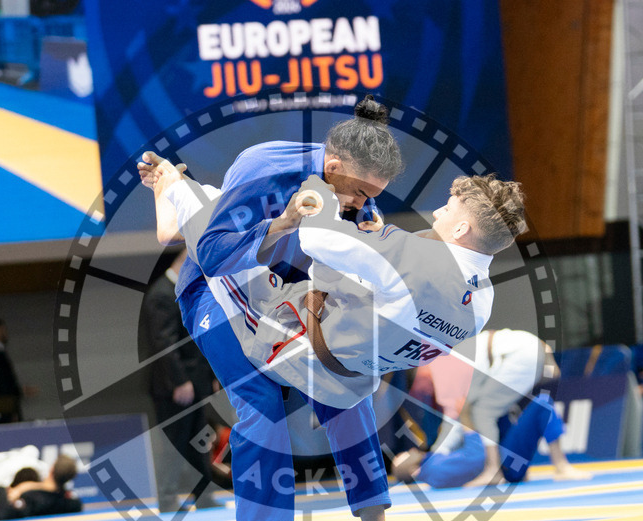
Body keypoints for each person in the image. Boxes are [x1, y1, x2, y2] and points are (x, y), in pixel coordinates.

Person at [137, 96, 425, 521]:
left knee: (349, 393)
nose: (362, 202)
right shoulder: (263, 167)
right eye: (359, 192)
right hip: (217, 287)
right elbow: (212, 253)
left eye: (372, 195)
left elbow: (351, 263)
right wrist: (285, 221)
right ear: (331, 167)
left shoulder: (359, 188)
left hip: (288, 293)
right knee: (260, 401)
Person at [154, 166, 510, 411]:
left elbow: (316, 237)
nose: (436, 214)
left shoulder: (412, 259)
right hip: (353, 386)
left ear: (461, 229)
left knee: (224, 259)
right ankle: (197, 196)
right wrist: (376, 241)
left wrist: (318, 185)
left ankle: (173, 188)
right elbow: (400, 302)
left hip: (295, 348)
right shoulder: (483, 302)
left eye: (446, 210)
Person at [419, 330, 589, 487]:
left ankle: (495, 470)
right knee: (533, 405)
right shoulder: (466, 363)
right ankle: (558, 465)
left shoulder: (448, 367)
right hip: (513, 467)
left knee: (482, 412)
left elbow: (454, 420)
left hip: (507, 463)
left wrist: (433, 454)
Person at [145, 248, 222, 513]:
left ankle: (203, 495)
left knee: (198, 439)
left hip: (195, 379)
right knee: (173, 443)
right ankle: (167, 500)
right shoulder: (161, 294)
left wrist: (210, 376)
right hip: (174, 386)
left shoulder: (185, 291)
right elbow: (163, 342)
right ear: (183, 262)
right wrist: (179, 381)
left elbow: (201, 335)